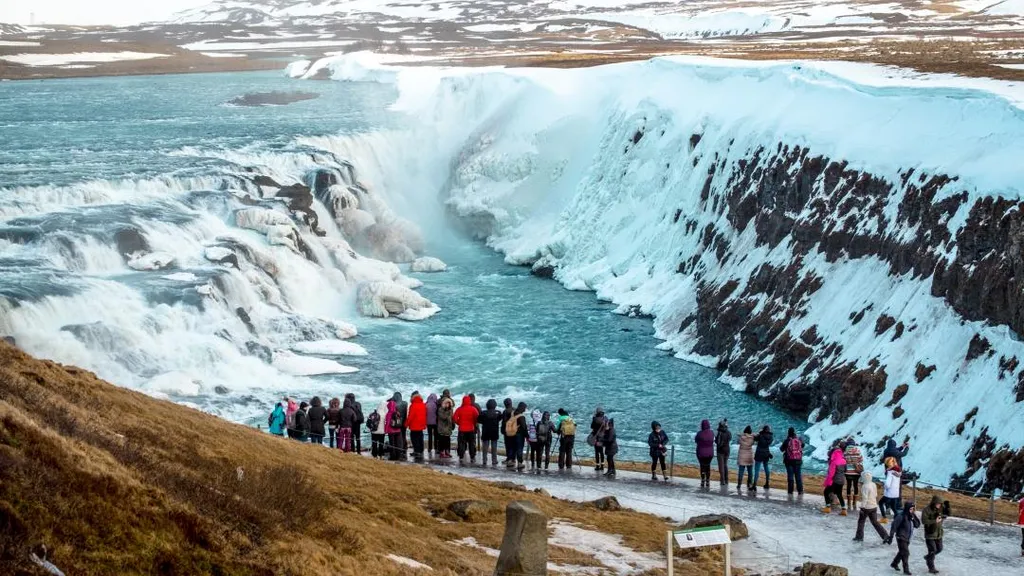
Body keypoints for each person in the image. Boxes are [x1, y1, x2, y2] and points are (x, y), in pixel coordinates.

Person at [887, 501, 920, 575]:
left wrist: (913, 518)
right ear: (907, 508)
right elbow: (894, 526)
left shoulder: (912, 515)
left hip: (908, 538)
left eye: (913, 509)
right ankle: (906, 570)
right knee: (905, 553)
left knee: (902, 552)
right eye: (910, 509)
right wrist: (891, 537)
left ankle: (894, 563)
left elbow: (917, 525)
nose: (912, 510)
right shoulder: (900, 516)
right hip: (901, 537)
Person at [853, 471, 887, 542]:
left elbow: (865, 498)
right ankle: (885, 536)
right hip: (874, 506)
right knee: (875, 522)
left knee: (861, 522)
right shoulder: (873, 484)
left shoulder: (864, 486)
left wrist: (862, 507)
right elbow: (876, 495)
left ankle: (859, 537)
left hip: (866, 508)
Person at [822, 443, 848, 515]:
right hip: (842, 480)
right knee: (839, 494)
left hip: (834, 481)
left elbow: (831, 474)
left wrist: (827, 482)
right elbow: (845, 470)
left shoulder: (834, 462)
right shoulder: (844, 461)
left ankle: (828, 507)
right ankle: (844, 509)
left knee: (826, 492)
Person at [922, 495, 945, 574]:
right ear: (934, 502)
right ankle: (931, 568)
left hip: (939, 534)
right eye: (938, 503)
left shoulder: (940, 509)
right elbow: (924, 521)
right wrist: (934, 521)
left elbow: (942, 519)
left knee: (939, 549)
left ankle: (927, 557)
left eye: (940, 504)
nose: (939, 505)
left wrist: (943, 517)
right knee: (932, 551)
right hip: (930, 534)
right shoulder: (926, 510)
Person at [454, 394, 480, 463]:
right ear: (469, 401)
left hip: (462, 429)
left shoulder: (459, 409)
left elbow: (455, 418)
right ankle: (472, 457)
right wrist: (474, 423)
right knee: (472, 444)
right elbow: (477, 418)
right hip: (471, 429)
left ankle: (461, 457)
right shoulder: (473, 409)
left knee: (461, 443)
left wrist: (459, 423)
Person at [780, 427, 804, 495]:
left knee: (790, 476)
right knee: (798, 476)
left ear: (788, 432)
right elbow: (803, 445)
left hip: (789, 461)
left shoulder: (787, 440)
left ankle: (790, 491)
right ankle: (800, 491)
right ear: (794, 432)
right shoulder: (798, 440)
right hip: (798, 460)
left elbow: (781, 449)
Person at [479, 398, 502, 466]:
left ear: (487, 405)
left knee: (485, 447)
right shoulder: (498, 413)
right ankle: (494, 460)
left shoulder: (483, 413)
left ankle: (484, 460)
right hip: (494, 432)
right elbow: (500, 419)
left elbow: (479, 420)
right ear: (495, 405)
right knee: (494, 447)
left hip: (485, 432)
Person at [751, 425, 774, 491]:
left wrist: (760, 432)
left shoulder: (760, 435)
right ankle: (767, 483)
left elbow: (754, 438)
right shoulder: (771, 437)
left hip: (759, 453)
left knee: (757, 470)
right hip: (766, 453)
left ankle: (754, 485)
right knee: (766, 468)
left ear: (763, 430)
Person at [844, 438, 864, 509]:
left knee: (849, 486)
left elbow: (844, 461)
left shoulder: (845, 452)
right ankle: (854, 503)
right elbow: (861, 459)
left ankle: (848, 503)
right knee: (855, 486)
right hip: (856, 472)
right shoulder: (857, 451)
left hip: (848, 472)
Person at [407, 392, 427, 462]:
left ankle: (416, 452)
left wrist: (406, 424)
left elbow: (410, 417)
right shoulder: (423, 405)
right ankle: (421, 451)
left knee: (414, 439)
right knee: (420, 437)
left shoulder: (413, 405)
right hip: (421, 425)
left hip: (414, 425)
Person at [881, 459, 903, 524]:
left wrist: (884, 486)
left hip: (889, 493)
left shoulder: (890, 472)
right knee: (893, 506)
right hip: (895, 493)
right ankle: (898, 518)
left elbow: (887, 484)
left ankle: (885, 518)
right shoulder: (898, 472)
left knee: (881, 503)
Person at [695, 419, 716, 488]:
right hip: (710, 453)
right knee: (708, 466)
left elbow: (696, 440)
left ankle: (703, 480)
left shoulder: (699, 433)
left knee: (702, 466)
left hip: (701, 453)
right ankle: (708, 480)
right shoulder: (712, 433)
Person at [509, 402, 528, 471]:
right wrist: (527, 436)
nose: (525, 410)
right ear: (522, 407)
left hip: (512, 433)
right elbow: (524, 427)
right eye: (524, 408)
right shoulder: (521, 416)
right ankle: (520, 463)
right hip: (519, 435)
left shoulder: (512, 413)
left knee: (512, 447)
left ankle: (510, 461)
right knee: (519, 448)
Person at [437, 392, 455, 459]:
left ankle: (447, 451)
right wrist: (448, 413)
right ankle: (442, 452)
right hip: (442, 427)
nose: (448, 404)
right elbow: (443, 417)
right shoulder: (440, 409)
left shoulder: (451, 410)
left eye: (449, 403)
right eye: (447, 403)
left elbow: (452, 417)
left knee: (447, 440)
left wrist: (453, 423)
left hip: (448, 427)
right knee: (442, 440)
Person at [590, 407, 608, 472]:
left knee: (597, 452)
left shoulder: (595, 419)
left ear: (597, 412)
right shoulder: (605, 418)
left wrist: (594, 418)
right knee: (601, 452)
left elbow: (591, 426)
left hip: (597, 437)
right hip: (603, 437)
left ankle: (597, 466)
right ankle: (602, 466)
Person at [736, 426, 755, 491]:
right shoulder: (752, 437)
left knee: (741, 471)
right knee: (750, 472)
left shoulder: (741, 437)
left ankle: (739, 484)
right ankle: (749, 483)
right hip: (749, 456)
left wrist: (741, 434)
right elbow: (754, 440)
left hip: (742, 456)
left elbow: (738, 441)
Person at [715, 419, 731, 486]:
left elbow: (718, 443)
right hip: (727, 449)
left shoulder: (720, 433)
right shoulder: (728, 432)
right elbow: (730, 438)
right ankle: (727, 479)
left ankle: (722, 480)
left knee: (721, 466)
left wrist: (716, 440)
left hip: (720, 450)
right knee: (725, 465)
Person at [392, 392, 408, 460]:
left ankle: (399, 449)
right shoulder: (405, 403)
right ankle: (404, 448)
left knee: (398, 437)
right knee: (403, 435)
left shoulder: (394, 404)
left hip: (397, 423)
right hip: (404, 422)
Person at [501, 398, 515, 467]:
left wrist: (502, 430)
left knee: (508, 445)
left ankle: (509, 459)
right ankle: (513, 459)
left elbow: (504, 422)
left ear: (505, 404)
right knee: (513, 445)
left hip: (508, 431)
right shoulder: (515, 410)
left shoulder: (505, 411)